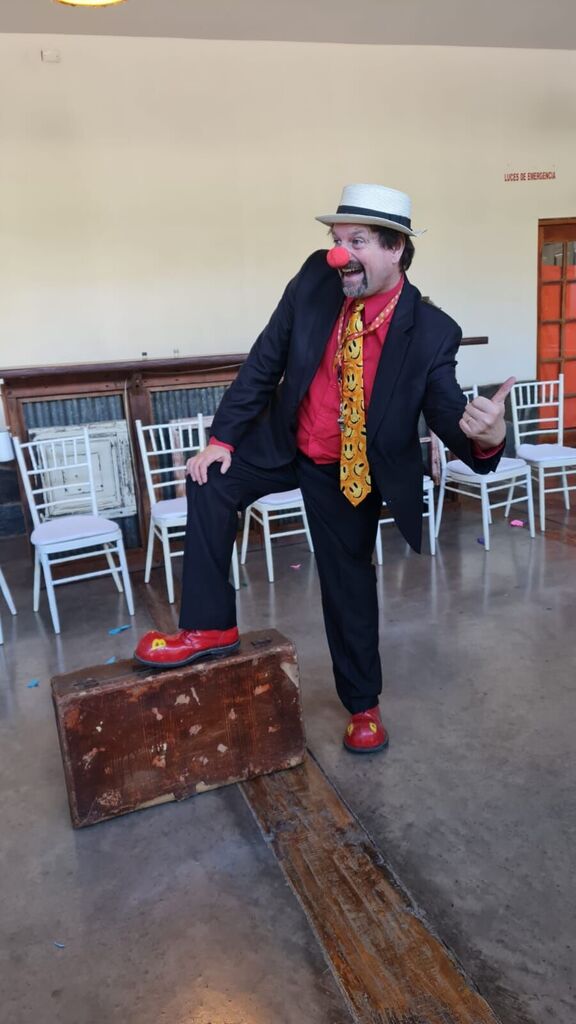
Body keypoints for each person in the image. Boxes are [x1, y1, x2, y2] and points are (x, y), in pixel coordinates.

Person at [135, 183, 511, 753]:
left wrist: (487, 437)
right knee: (210, 479)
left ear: (396, 249)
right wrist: (222, 438)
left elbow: (443, 409)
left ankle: (363, 705)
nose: (339, 254)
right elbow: (266, 358)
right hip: (288, 440)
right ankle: (210, 625)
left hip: (350, 467)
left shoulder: (433, 331)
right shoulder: (316, 278)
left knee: (347, 584)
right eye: (336, 239)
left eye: (357, 241)